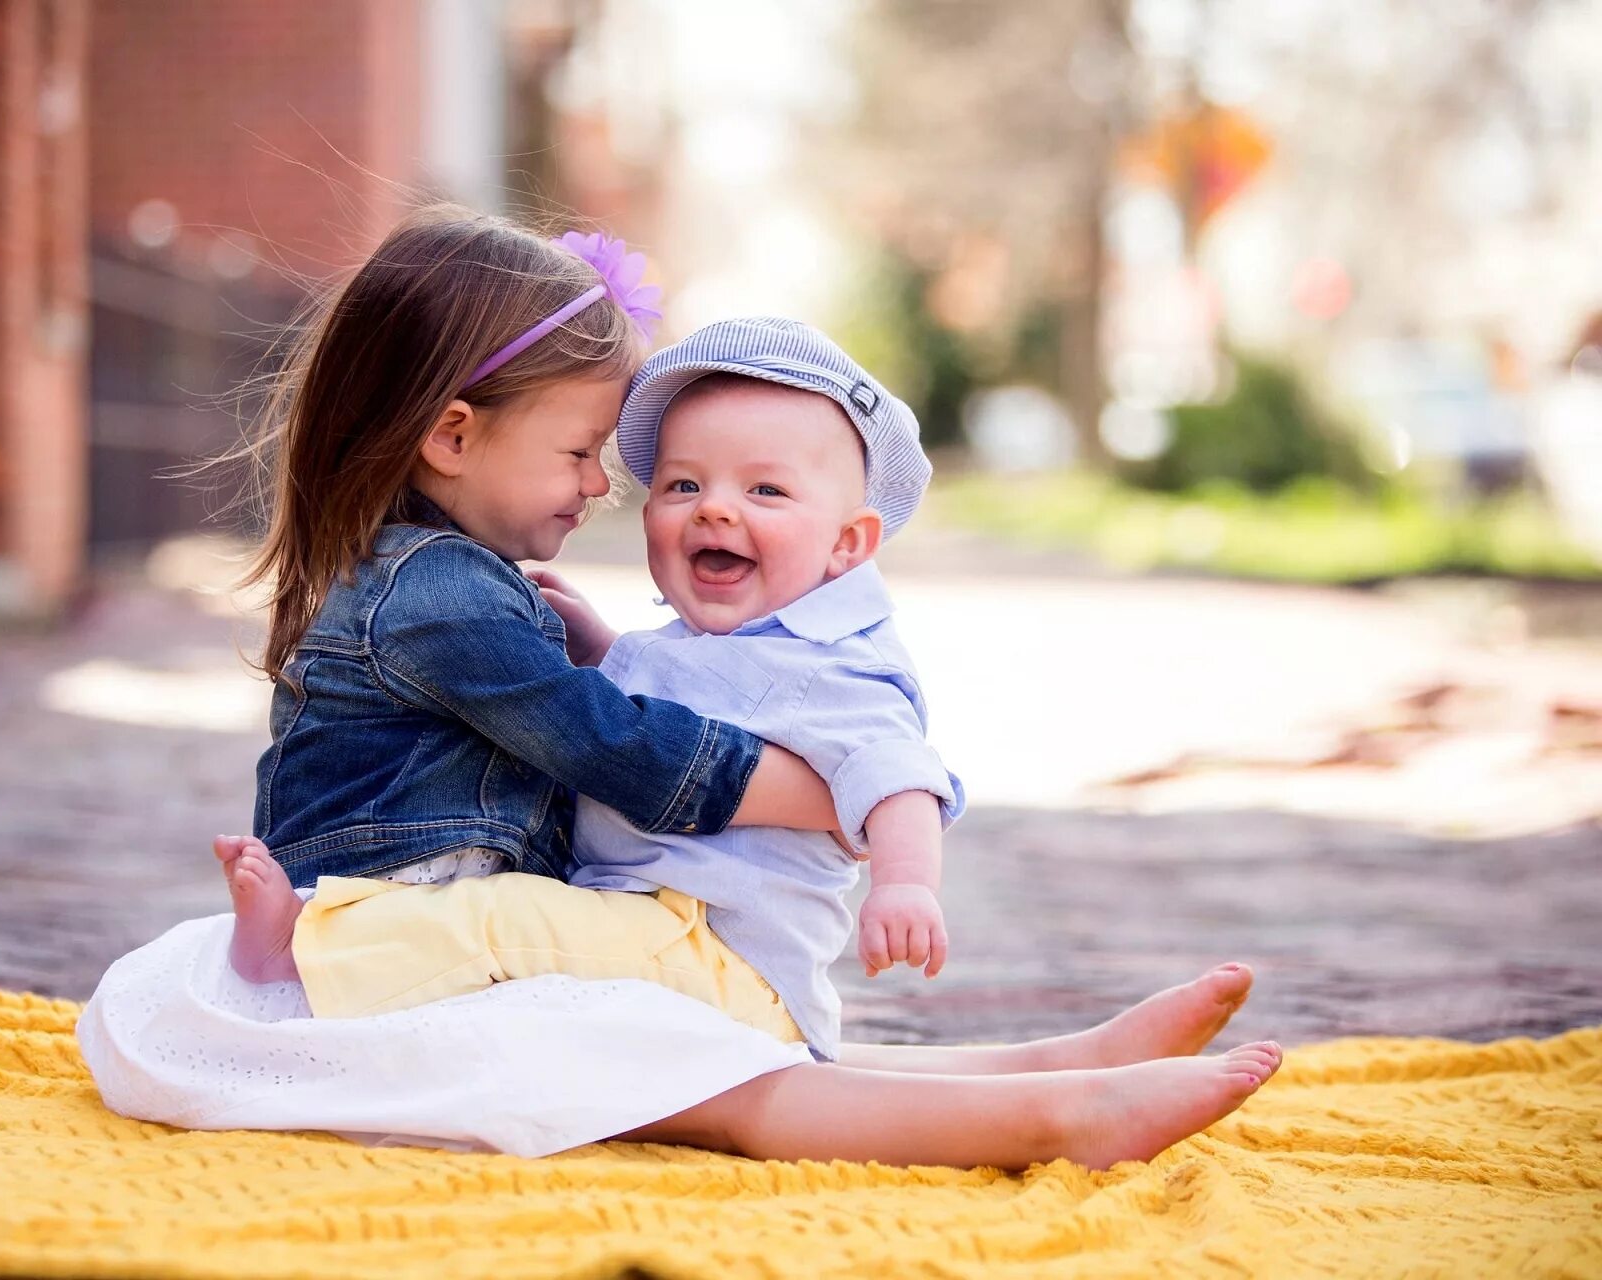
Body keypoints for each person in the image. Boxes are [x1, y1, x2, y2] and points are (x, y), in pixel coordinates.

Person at [199, 298, 1280, 1170]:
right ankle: (1063, 1063)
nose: (715, 509)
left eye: (765, 489)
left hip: (703, 950)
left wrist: (905, 878)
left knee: (499, 922)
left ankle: (308, 947)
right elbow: (658, 704)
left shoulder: (834, 658)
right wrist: (599, 644)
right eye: (682, 484)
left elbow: (894, 766)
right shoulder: (684, 639)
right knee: (734, 1078)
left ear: (849, 542)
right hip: (662, 947)